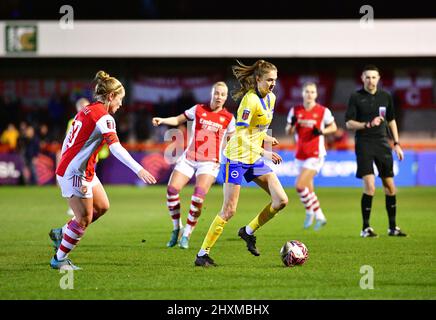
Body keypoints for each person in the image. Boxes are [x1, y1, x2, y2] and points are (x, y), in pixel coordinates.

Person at [48, 71, 157, 270]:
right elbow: (115, 147)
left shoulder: (86, 110)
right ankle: (59, 259)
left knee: (102, 206)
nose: (121, 104)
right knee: (83, 219)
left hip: (83, 170)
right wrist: (138, 169)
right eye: (120, 99)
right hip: (75, 173)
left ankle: (61, 232)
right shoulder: (104, 117)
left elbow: (68, 141)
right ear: (110, 97)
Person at [194, 59, 288, 267]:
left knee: (280, 200)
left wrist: (265, 138)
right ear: (258, 79)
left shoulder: (271, 98)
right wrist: (264, 150)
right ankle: (202, 254)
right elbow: (241, 134)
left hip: (252, 156)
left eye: (275, 80)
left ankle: (247, 231)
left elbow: (257, 130)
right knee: (229, 210)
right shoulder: (250, 100)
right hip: (236, 157)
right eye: (269, 80)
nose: (272, 84)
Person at [152, 82, 236, 249]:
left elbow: (231, 141)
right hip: (189, 157)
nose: (219, 97)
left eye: (222, 94)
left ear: (226, 97)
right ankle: (177, 228)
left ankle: (187, 234)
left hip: (210, 162)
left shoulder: (229, 118)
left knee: (198, 196)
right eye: (216, 93)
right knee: (171, 190)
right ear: (212, 94)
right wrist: (162, 120)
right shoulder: (198, 109)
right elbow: (178, 119)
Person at [345, 64, 407, 238]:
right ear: (362, 78)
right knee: (370, 186)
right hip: (364, 144)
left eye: (374, 77)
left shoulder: (385, 96)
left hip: (382, 144)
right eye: (368, 77)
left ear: (379, 79)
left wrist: (397, 143)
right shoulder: (356, 97)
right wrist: (367, 125)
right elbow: (349, 123)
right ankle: (366, 228)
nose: (371, 80)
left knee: (390, 186)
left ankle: (393, 227)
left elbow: (392, 120)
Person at [285, 82, 337, 230]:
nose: (309, 94)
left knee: (300, 185)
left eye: (312, 92)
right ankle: (317, 214)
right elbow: (288, 131)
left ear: (316, 94)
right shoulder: (295, 110)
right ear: (302, 93)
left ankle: (312, 213)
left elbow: (333, 127)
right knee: (309, 189)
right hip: (301, 153)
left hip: (316, 153)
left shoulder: (322, 111)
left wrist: (322, 132)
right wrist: (293, 125)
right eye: (307, 92)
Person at [65, 98, 110, 217]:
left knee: (100, 205)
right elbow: (69, 142)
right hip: (79, 164)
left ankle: (73, 223)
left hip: (92, 160)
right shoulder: (74, 121)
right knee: (82, 193)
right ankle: (76, 211)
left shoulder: (95, 120)